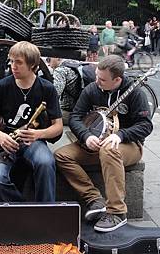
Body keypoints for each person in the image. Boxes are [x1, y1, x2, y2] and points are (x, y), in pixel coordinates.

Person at [54, 55, 153, 232]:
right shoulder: (92, 89)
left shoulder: (135, 92)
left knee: (109, 149)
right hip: (95, 143)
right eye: (97, 76)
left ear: (117, 80)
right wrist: (85, 136)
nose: (97, 81)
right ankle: (94, 199)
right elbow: (76, 116)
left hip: (129, 145)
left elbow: (146, 125)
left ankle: (117, 212)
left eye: (102, 79)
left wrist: (121, 135)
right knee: (61, 156)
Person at [0, 41, 63, 202]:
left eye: (18, 62)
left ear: (32, 65)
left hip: (32, 141)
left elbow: (58, 126)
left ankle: (47, 213)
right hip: (5, 141)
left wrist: (38, 134)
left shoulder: (47, 88)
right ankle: (23, 209)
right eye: (11, 61)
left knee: (46, 163)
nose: (13, 66)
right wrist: (0, 136)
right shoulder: (2, 86)